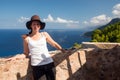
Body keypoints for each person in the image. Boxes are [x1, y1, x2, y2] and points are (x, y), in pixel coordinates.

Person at [22, 15, 65, 80]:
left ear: (40, 26)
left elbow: (54, 43)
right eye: (34, 24)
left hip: (49, 64)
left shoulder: (44, 34)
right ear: (31, 26)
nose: (36, 26)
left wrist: (62, 49)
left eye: (37, 24)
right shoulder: (27, 39)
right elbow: (26, 53)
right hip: (37, 66)